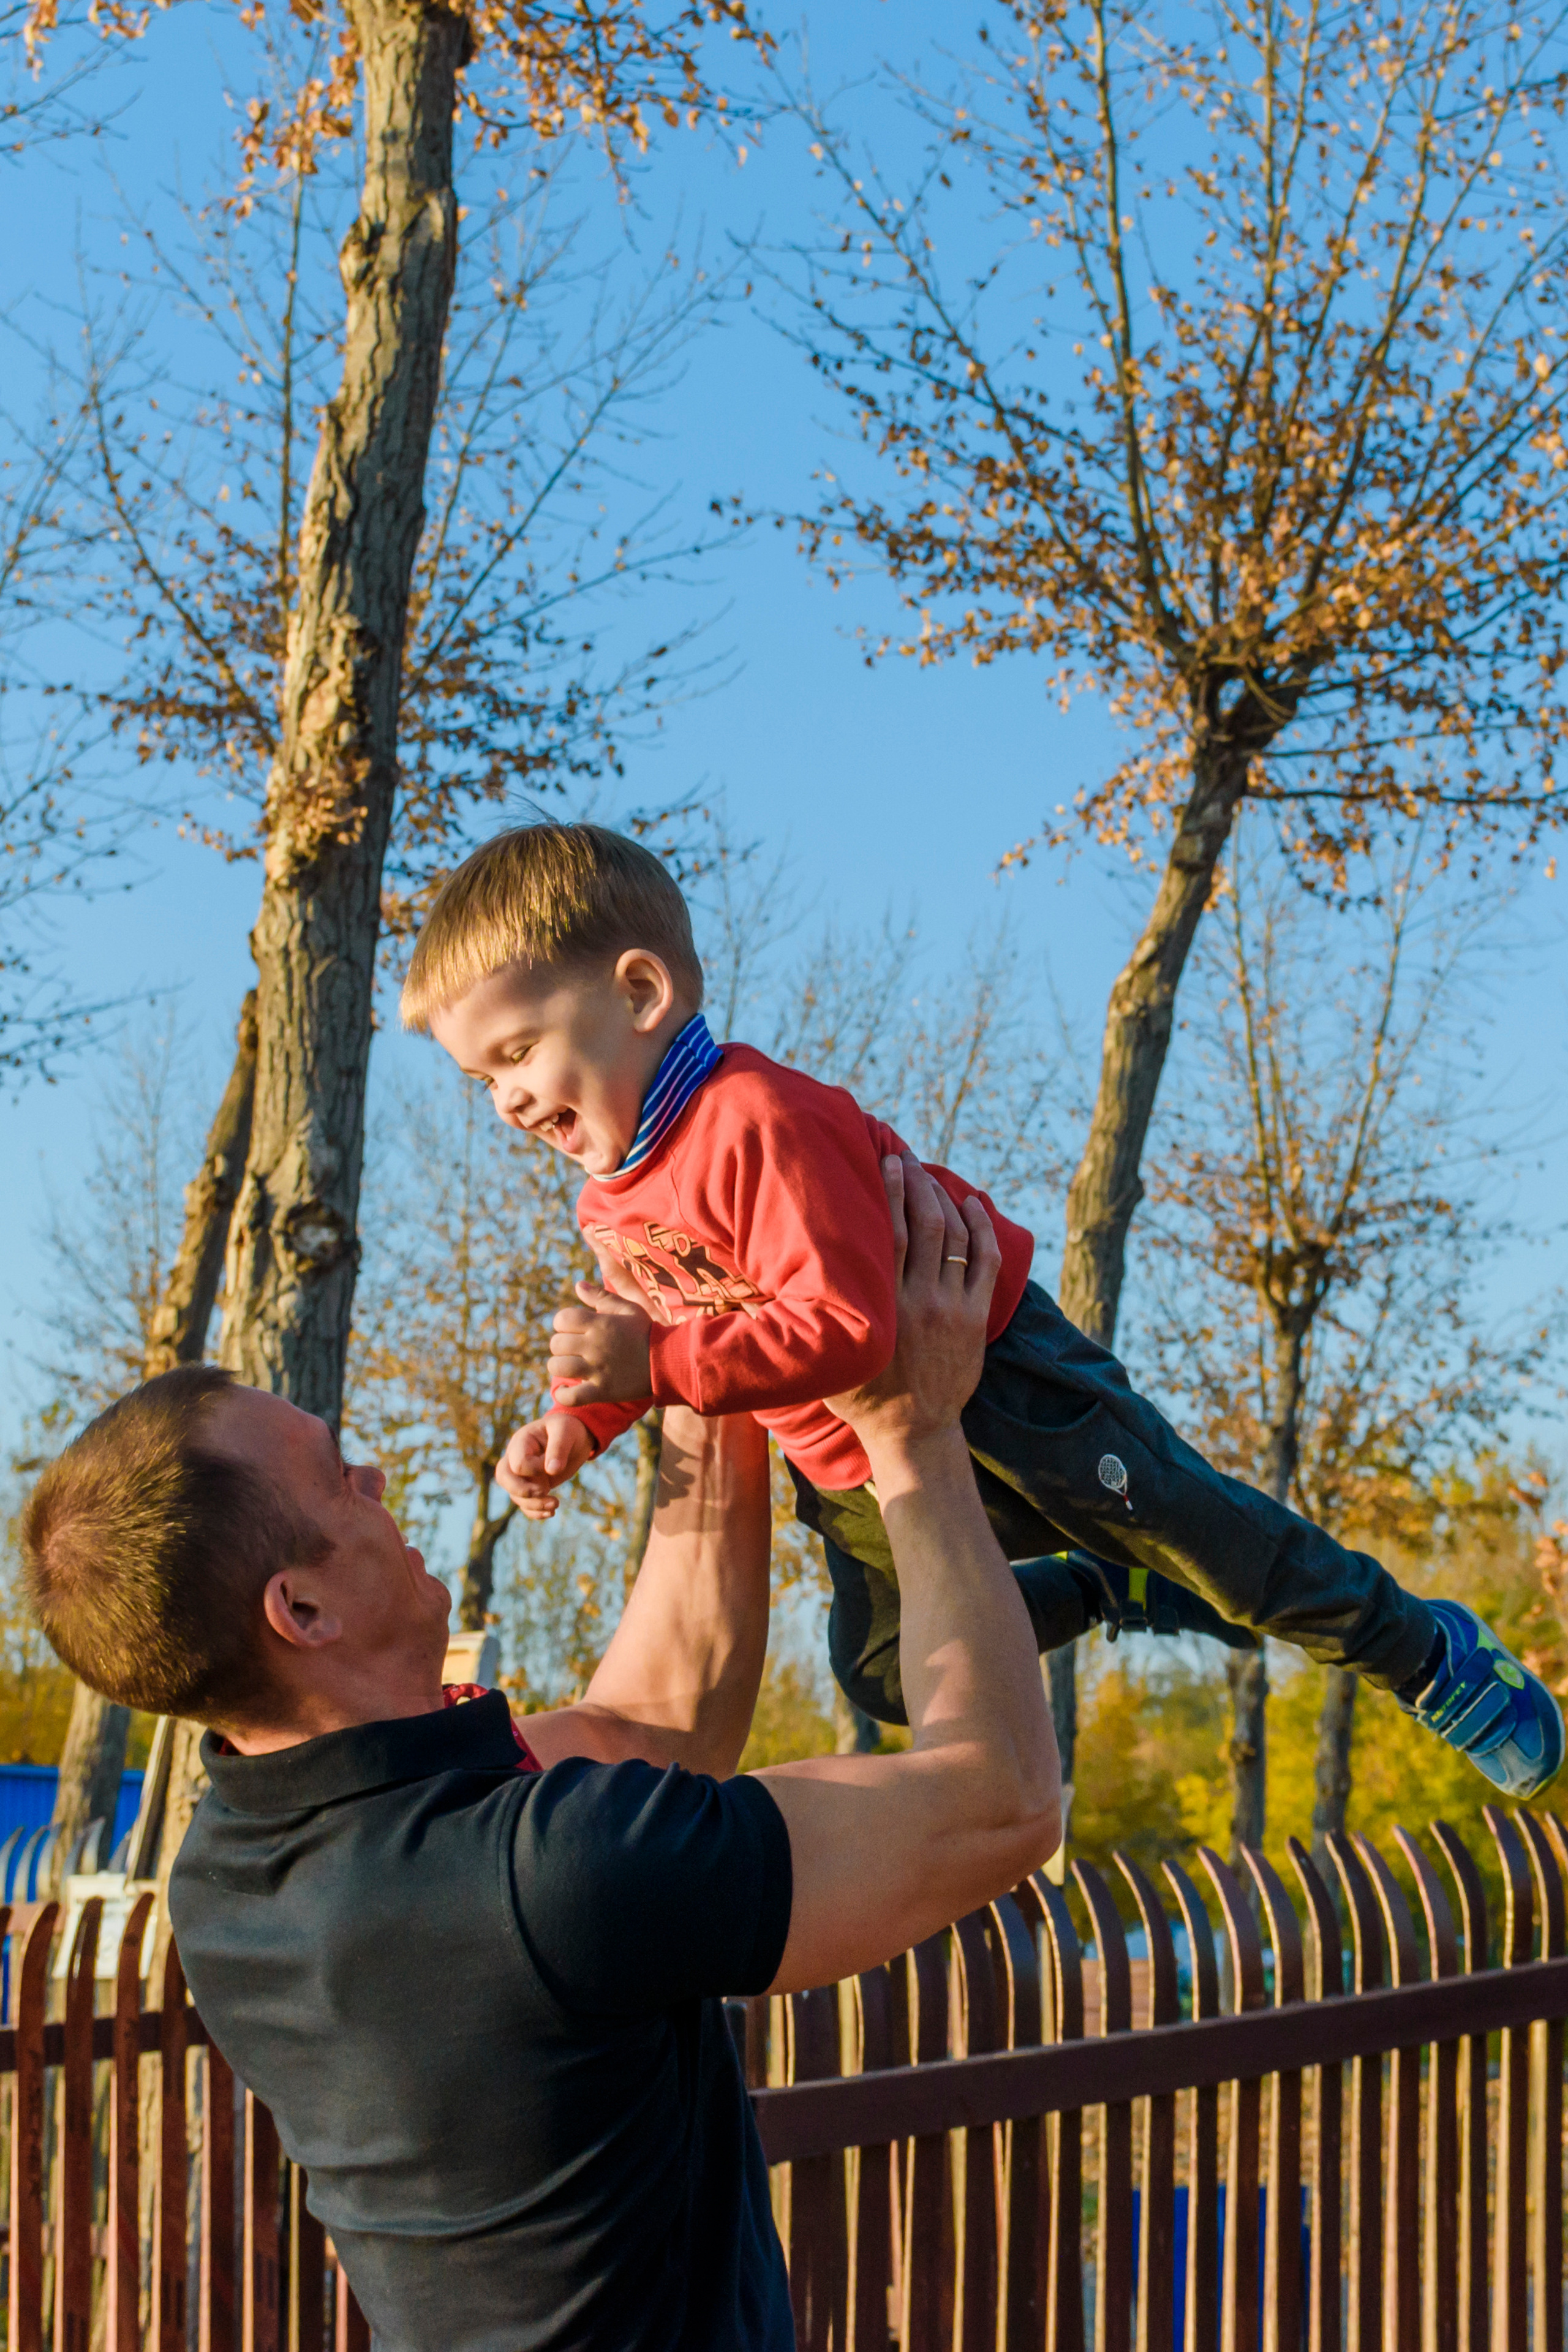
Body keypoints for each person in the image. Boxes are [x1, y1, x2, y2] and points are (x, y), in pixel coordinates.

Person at [20, 1156, 1061, 2352]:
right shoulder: (536, 1879)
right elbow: (999, 1804)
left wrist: (693, 1356)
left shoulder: (237, 1875)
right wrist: (912, 1437)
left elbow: (658, 1720)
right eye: (335, 1477)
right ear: (300, 1611)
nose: (374, 1476)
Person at [404, 820, 1562, 1803]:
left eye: (517, 1053)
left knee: (1224, 1551)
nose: (505, 1099)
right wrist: (582, 1417)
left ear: (641, 992)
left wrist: (649, 1363)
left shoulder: (756, 1121)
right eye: (481, 1079)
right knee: (884, 1674)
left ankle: (1424, 1654)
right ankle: (1111, 1584)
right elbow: (664, 1325)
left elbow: (852, 1330)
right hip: (851, 1467)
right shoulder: (611, 1197)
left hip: (1004, 1389)